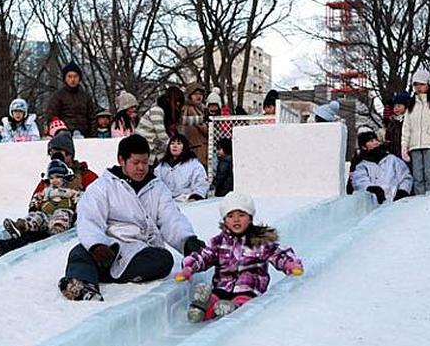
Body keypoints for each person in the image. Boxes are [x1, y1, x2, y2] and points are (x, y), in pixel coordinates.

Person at [59, 134, 205, 301]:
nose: (141, 168)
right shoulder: (103, 187)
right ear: (122, 160)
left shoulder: (157, 188)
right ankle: (82, 283)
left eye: (145, 162)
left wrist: (187, 240)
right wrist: (96, 245)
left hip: (140, 251)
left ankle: (101, 274)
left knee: (164, 260)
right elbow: (89, 218)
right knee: (79, 251)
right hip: (109, 249)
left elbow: (171, 218)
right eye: (136, 163)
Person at [175, 192, 303, 322]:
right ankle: (202, 308)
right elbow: (204, 256)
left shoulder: (260, 242)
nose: (236, 220)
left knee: (244, 302)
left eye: (241, 215)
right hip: (222, 287)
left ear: (250, 218)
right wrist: (189, 267)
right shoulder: (219, 242)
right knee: (215, 297)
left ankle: (233, 308)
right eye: (230, 216)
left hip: (249, 289)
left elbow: (278, 253)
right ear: (224, 220)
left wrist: (289, 264)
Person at [2, 156, 83, 241]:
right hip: (46, 215)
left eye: (58, 177)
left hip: (62, 212)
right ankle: (23, 226)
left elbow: (80, 197)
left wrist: (79, 203)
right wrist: (34, 204)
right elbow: (39, 196)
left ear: (65, 177)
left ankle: (57, 228)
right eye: (51, 178)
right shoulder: (47, 190)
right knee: (37, 216)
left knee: (62, 213)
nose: (54, 180)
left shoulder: (69, 191)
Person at [402, 69, 430, 194]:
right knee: (418, 177)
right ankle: (420, 203)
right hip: (414, 146)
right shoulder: (411, 105)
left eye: (421, 84)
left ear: (428, 84)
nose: (418, 87)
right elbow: (406, 126)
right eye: (416, 84)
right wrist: (404, 145)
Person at [352, 131, 412, 204]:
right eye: (371, 141)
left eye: (376, 140)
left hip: (396, 203)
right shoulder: (362, 166)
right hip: (375, 206)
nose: (376, 143)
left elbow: (406, 177)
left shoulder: (392, 159)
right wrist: (371, 188)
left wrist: (403, 191)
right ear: (364, 147)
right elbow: (359, 181)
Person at [45, 61, 98, 138]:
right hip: (64, 135)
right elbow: (51, 116)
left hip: (85, 135)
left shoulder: (86, 96)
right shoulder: (58, 96)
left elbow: (92, 118)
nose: (72, 79)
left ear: (79, 78)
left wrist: (93, 137)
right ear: (65, 78)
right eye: (69, 76)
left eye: (75, 76)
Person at [136, 85, 185, 164]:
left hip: (155, 150)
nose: (178, 105)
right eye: (177, 101)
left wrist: (202, 119)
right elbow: (162, 135)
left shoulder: (167, 113)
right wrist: (178, 148)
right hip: (146, 149)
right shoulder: (157, 111)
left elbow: (184, 120)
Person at [154, 134, 208, 201]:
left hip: (187, 201)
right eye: (172, 143)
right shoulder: (162, 166)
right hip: (166, 201)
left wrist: (195, 197)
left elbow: (201, 184)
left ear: (184, 147)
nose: (175, 146)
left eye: (179, 144)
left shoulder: (194, 164)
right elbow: (156, 183)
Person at [180, 83, 209, 166]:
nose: (198, 96)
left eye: (200, 94)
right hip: (197, 148)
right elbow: (204, 129)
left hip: (199, 146)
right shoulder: (190, 109)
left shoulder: (200, 109)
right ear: (190, 96)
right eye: (195, 94)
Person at [383, 90, 411, 157]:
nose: (396, 109)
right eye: (394, 106)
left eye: (399, 106)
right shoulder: (392, 122)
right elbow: (388, 137)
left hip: (408, 152)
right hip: (395, 153)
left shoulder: (409, 120)